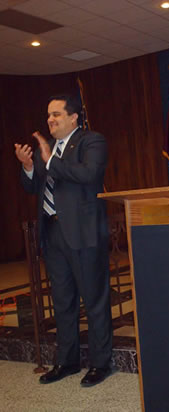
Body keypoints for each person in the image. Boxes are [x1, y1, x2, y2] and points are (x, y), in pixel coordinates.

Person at [15, 94, 112, 387]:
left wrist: (50, 161)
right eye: (48, 115)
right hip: (53, 233)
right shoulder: (49, 150)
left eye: (56, 114)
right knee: (62, 301)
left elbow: (90, 174)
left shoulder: (91, 141)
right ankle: (66, 361)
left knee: (94, 300)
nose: (50, 120)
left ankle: (100, 364)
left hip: (83, 233)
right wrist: (29, 167)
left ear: (74, 118)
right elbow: (35, 187)